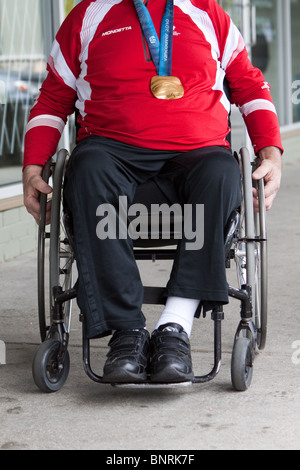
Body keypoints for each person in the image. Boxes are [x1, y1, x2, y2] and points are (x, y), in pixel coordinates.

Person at [23, 0, 282, 384]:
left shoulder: (208, 13)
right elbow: (52, 98)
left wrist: (271, 153)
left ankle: (174, 328)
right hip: (111, 151)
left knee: (222, 172)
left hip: (197, 153)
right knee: (87, 168)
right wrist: (31, 169)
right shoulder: (88, 14)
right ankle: (127, 332)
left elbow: (250, 85)